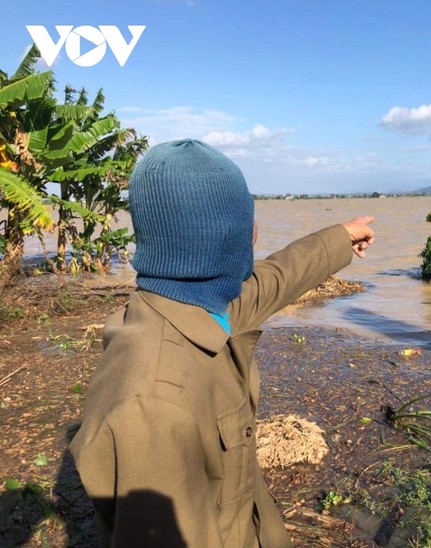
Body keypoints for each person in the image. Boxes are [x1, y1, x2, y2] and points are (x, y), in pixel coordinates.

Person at [69, 138, 376, 547]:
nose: (256, 232)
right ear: (228, 236)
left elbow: (276, 277)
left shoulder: (196, 303)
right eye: (247, 218)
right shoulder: (151, 410)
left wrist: (340, 237)